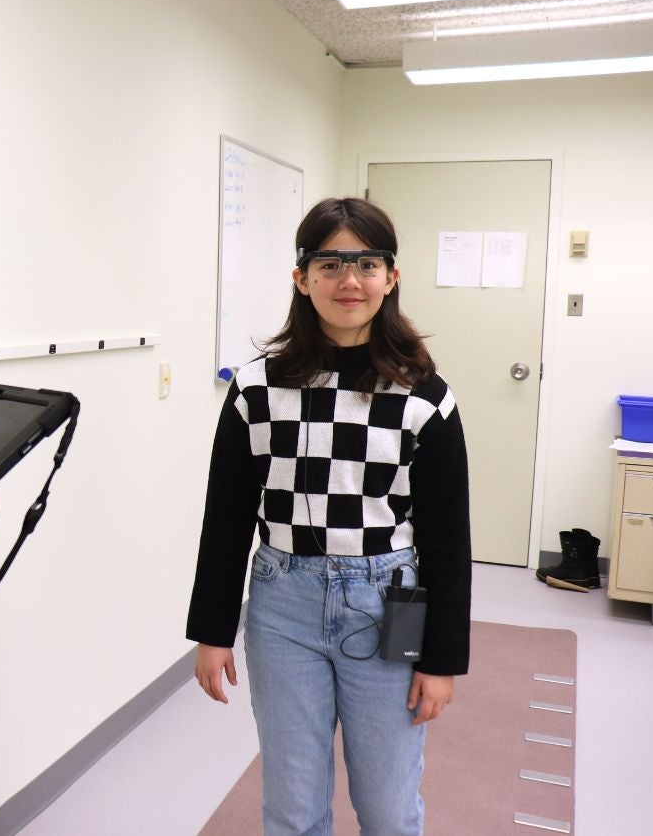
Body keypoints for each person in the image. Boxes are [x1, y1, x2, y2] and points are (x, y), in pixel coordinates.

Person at [187, 197, 471, 835]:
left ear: (391, 277)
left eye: (367, 263)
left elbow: (449, 540)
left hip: (388, 600)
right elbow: (226, 515)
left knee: (389, 808)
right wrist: (212, 629)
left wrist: (442, 659)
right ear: (301, 277)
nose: (350, 280)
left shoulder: (424, 394)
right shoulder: (256, 388)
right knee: (292, 807)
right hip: (281, 605)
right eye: (331, 263)